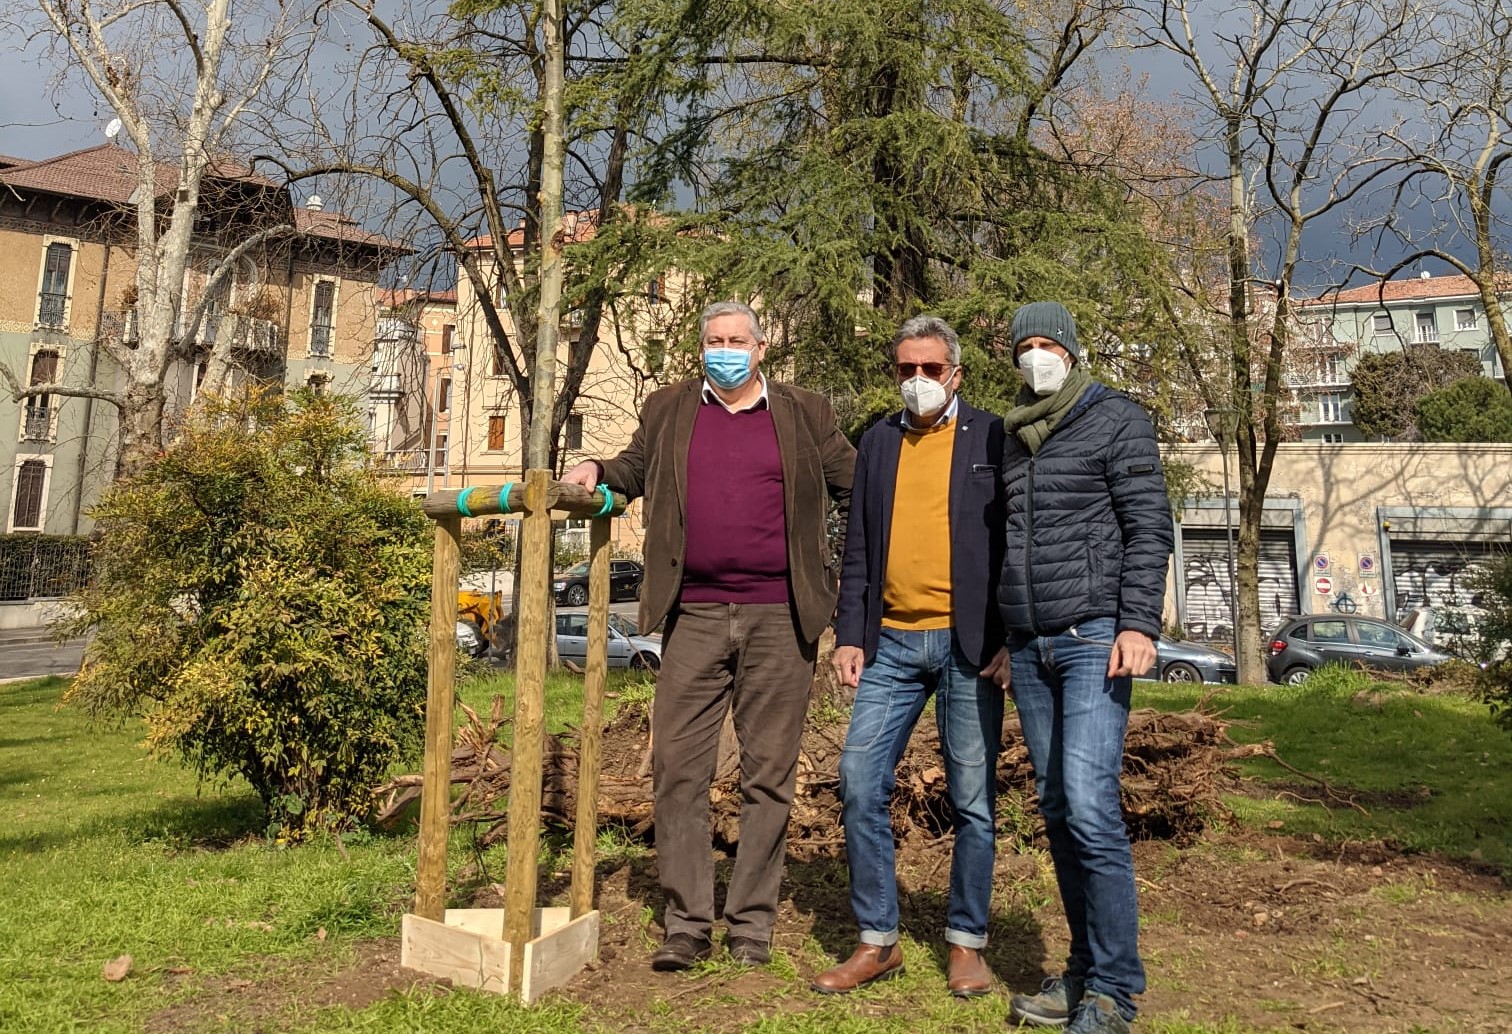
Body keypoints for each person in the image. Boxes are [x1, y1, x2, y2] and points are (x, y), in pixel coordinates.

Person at [562, 299, 855, 971]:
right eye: (714, 340)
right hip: (692, 613)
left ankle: (751, 926)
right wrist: (596, 473)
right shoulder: (668, 409)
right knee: (678, 772)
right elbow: (635, 469)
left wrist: (833, 571)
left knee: (769, 776)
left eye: (737, 340)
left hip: (781, 617)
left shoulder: (803, 413)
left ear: (760, 350)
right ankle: (686, 925)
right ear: (704, 349)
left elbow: (858, 485)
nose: (726, 350)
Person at [987, 301, 1174, 1034]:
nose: (1036, 356)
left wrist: (1136, 623)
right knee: (1059, 811)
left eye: (1046, 344)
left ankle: (1116, 992)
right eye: (1023, 346)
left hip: (1096, 635)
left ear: (1070, 349)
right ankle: (1082, 972)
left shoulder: (1117, 418)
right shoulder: (1012, 435)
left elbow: (1147, 524)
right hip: (1030, 647)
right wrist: (1007, 635)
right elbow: (1010, 543)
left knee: (1091, 806)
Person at [810, 316, 1006, 998]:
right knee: (860, 781)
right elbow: (858, 543)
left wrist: (1006, 635)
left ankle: (965, 944)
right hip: (889, 643)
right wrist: (852, 633)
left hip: (969, 646)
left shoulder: (992, 438)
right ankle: (877, 940)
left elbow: (1011, 542)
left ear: (955, 372)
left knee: (973, 799)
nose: (917, 381)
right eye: (905, 370)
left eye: (930, 369)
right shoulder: (878, 443)